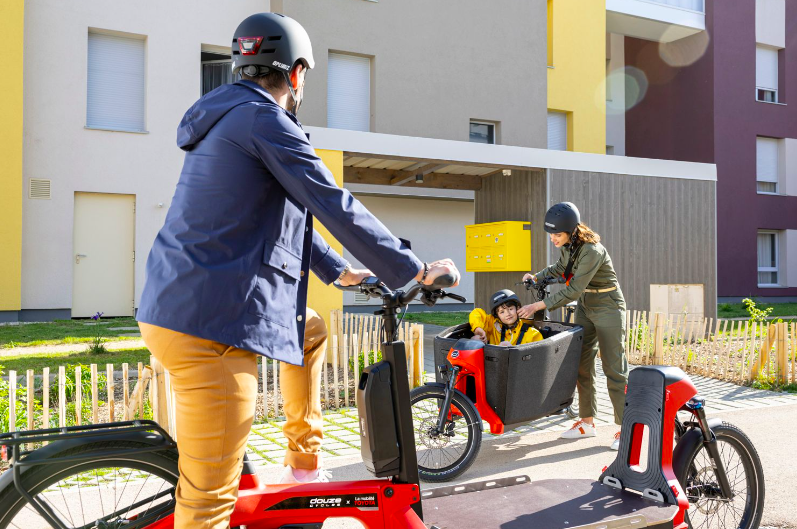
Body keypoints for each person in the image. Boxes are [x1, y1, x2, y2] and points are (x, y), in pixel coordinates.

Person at [136, 13, 459, 529]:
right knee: (208, 503)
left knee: (308, 328)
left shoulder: (231, 117)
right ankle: (275, 476)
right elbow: (332, 202)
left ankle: (302, 466)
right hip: (209, 328)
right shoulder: (266, 120)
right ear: (298, 72)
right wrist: (414, 269)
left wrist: (340, 273)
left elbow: (282, 216)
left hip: (187, 302)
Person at [517, 202, 627, 450]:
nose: (553, 239)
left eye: (557, 234)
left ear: (571, 230)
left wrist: (538, 306)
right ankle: (587, 423)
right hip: (587, 305)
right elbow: (559, 269)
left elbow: (573, 289)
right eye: (551, 235)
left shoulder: (592, 251)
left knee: (614, 368)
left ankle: (626, 430)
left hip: (608, 305)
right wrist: (537, 277)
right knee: (581, 364)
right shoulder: (570, 247)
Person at [470, 289, 542, 346]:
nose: (507, 314)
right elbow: (476, 313)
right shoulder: (493, 324)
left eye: (510, 309)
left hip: (518, 363)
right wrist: (477, 328)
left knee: (505, 345)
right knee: (476, 338)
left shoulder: (532, 333)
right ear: (497, 316)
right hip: (492, 363)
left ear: (517, 308)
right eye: (502, 312)